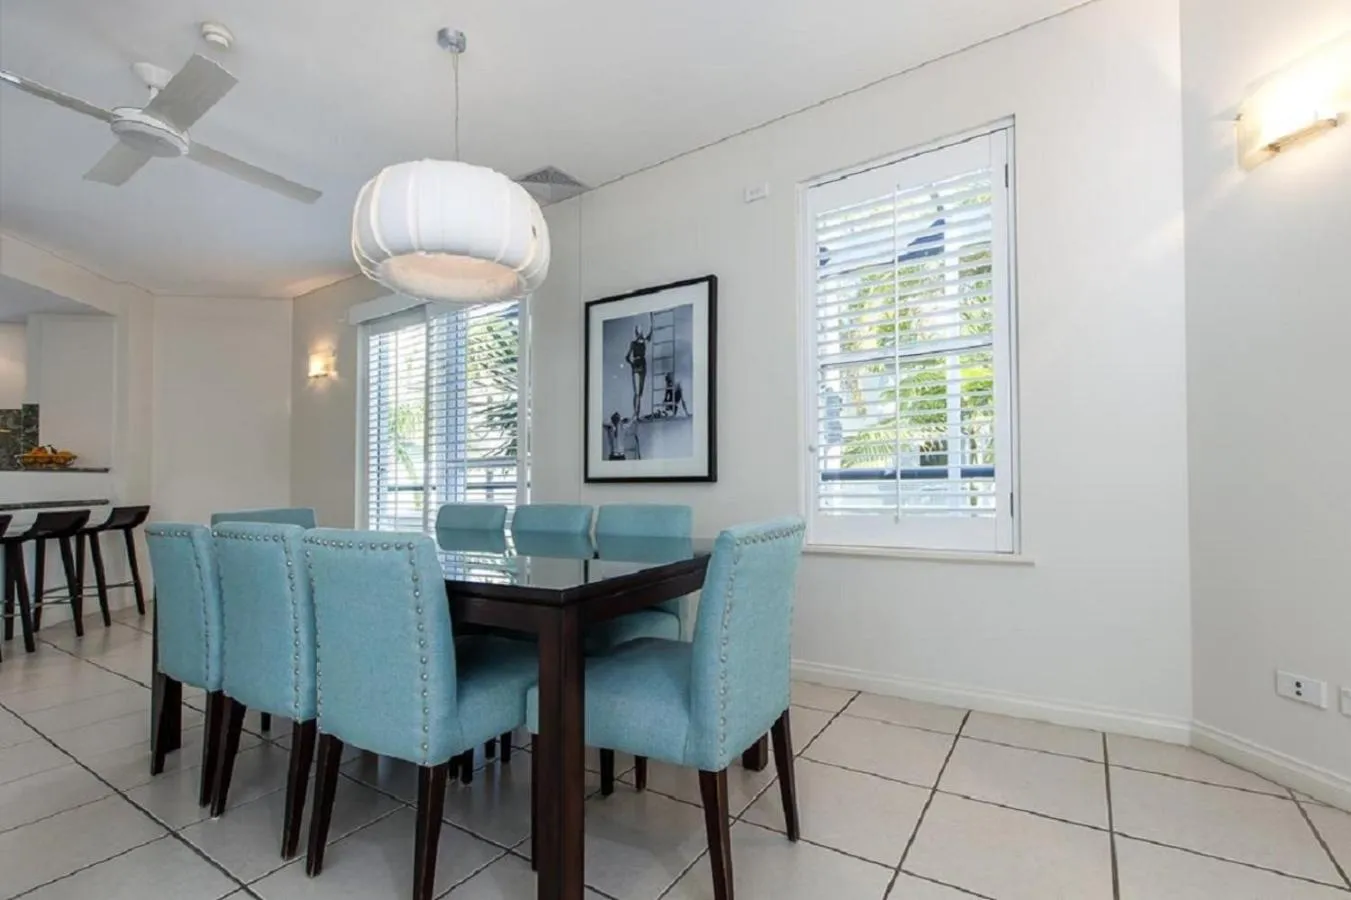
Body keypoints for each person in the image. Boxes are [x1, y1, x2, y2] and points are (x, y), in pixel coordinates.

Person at [624, 324, 652, 421]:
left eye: (641, 331)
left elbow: (650, 336)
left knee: (640, 393)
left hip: (643, 366)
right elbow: (627, 357)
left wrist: (652, 325)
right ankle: (636, 414)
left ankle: (638, 414)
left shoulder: (644, 342)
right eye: (638, 331)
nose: (640, 333)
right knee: (636, 392)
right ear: (636, 333)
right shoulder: (633, 343)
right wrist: (632, 364)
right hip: (636, 367)